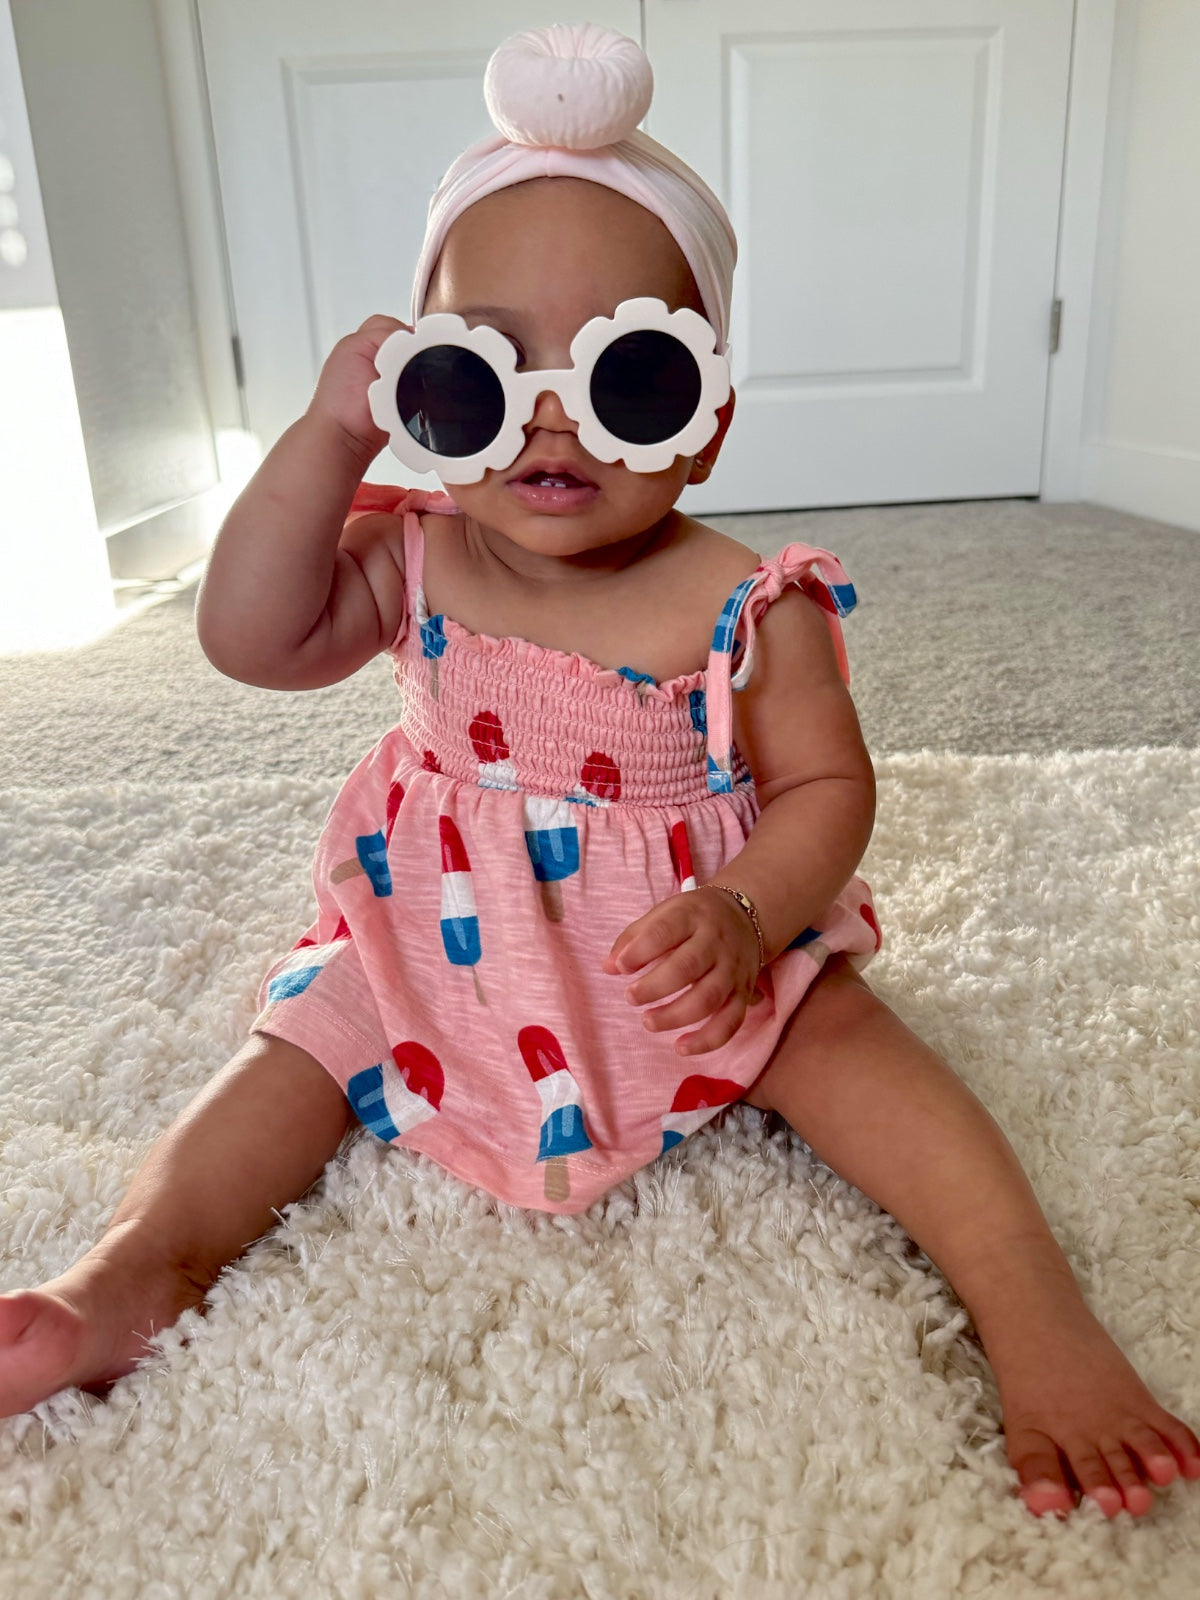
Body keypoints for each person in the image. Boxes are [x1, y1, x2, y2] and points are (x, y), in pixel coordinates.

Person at [1, 23, 1196, 1520]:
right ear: (416, 393)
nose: (552, 414)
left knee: (854, 1051)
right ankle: (126, 1276)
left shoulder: (751, 600)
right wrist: (321, 433)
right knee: (294, 1052)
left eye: (627, 372)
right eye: (479, 373)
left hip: (692, 945)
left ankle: (1037, 1314)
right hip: (427, 942)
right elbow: (249, 638)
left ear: (707, 426)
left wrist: (757, 914)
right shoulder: (416, 551)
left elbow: (829, 792)